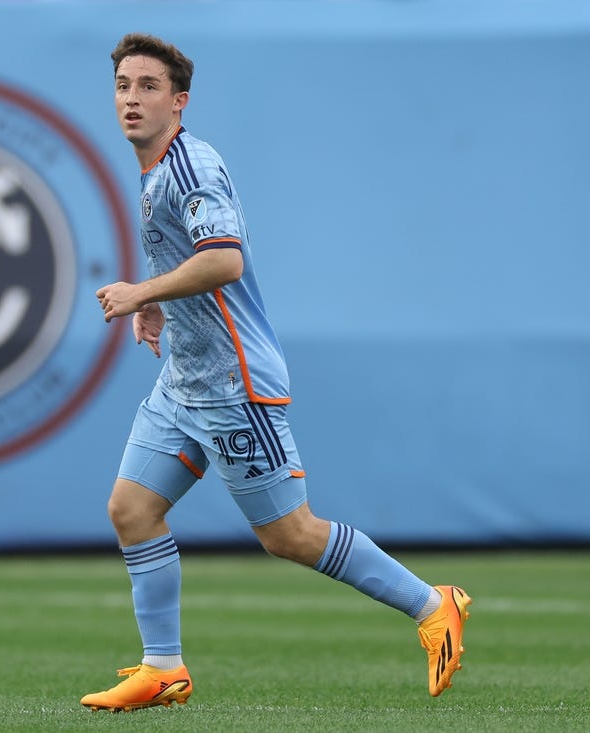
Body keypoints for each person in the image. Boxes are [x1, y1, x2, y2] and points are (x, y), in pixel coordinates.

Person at [81, 33, 472, 712]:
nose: (131, 99)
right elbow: (193, 260)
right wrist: (159, 303)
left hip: (235, 386)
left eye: (148, 86)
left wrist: (142, 294)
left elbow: (225, 259)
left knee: (288, 534)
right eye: (122, 85)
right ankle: (164, 667)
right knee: (132, 508)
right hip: (185, 379)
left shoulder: (190, 167)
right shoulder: (156, 168)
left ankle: (432, 602)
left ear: (180, 100)